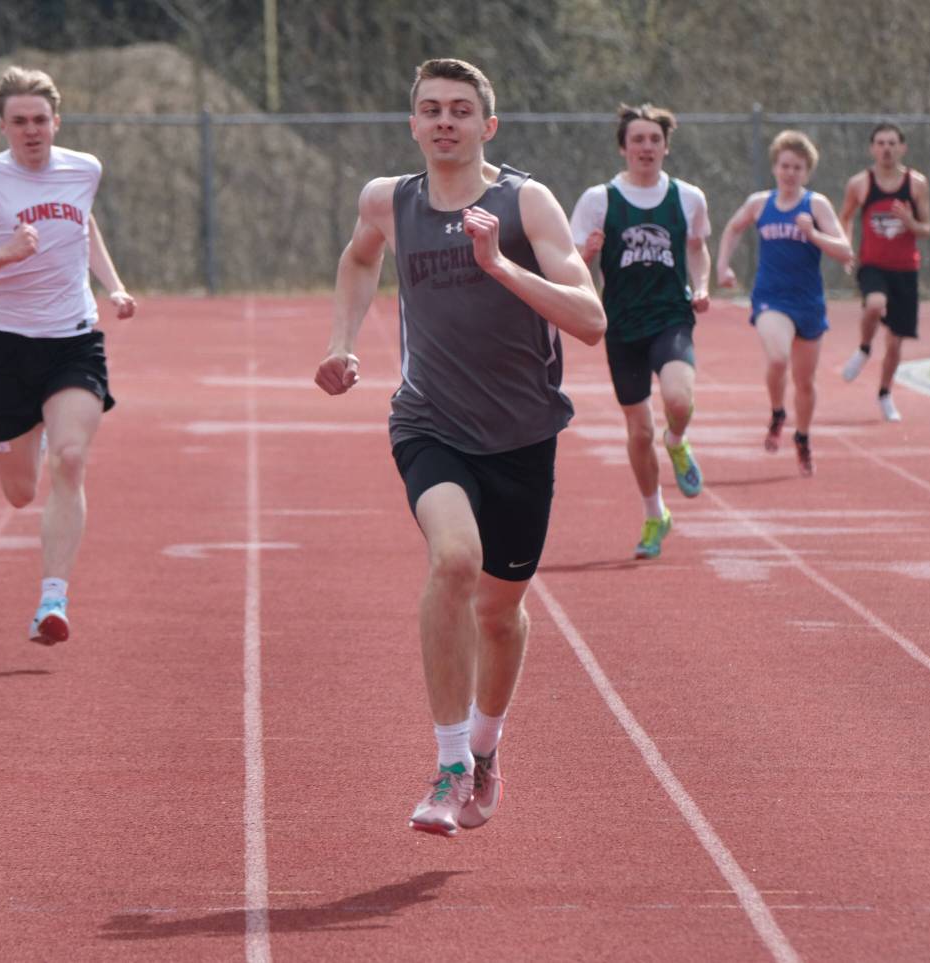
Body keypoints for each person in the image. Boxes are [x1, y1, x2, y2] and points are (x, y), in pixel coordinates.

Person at [314, 58, 605, 837]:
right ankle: (446, 765)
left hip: (521, 434)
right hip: (429, 422)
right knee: (452, 560)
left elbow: (589, 317)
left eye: (461, 110)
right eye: (431, 109)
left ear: (488, 125)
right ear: (412, 123)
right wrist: (343, 341)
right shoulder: (388, 199)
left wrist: (500, 265)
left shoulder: (525, 202)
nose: (445, 121)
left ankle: (483, 748)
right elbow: (358, 257)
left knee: (502, 614)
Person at [0, 66, 135, 644]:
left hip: (74, 340)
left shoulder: (84, 168)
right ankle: (36, 431)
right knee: (20, 492)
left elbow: (85, 225)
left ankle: (53, 597)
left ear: (57, 122)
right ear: (2, 126)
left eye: (40, 120)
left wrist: (113, 285)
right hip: (6, 348)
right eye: (19, 121)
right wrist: (4, 253)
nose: (31, 130)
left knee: (70, 461)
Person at [570, 103, 710, 560]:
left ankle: (678, 441)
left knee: (678, 400)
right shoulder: (598, 201)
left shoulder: (688, 197)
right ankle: (655, 514)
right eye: (638, 140)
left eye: (654, 139)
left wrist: (702, 284)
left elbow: (697, 250)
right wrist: (589, 255)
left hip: (671, 316)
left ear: (666, 146)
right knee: (637, 431)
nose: (646, 147)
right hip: (622, 325)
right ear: (623, 148)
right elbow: (569, 267)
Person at [716, 131, 852, 476]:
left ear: (807, 171)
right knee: (778, 358)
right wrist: (722, 265)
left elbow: (845, 251)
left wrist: (813, 234)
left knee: (805, 381)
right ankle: (778, 411)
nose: (790, 172)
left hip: (808, 302)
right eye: (785, 166)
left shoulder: (816, 205)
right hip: (770, 298)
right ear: (775, 168)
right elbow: (733, 228)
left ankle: (802, 437)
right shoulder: (760, 203)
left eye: (798, 167)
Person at [838, 122, 930, 422]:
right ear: (872, 148)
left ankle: (885, 394)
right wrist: (845, 250)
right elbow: (846, 218)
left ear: (902, 147)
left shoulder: (916, 184)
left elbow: (926, 228)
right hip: (873, 264)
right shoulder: (860, 184)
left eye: (892, 143)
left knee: (894, 342)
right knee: (875, 305)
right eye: (880, 143)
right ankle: (864, 348)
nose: (886, 149)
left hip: (905, 269)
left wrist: (910, 221)